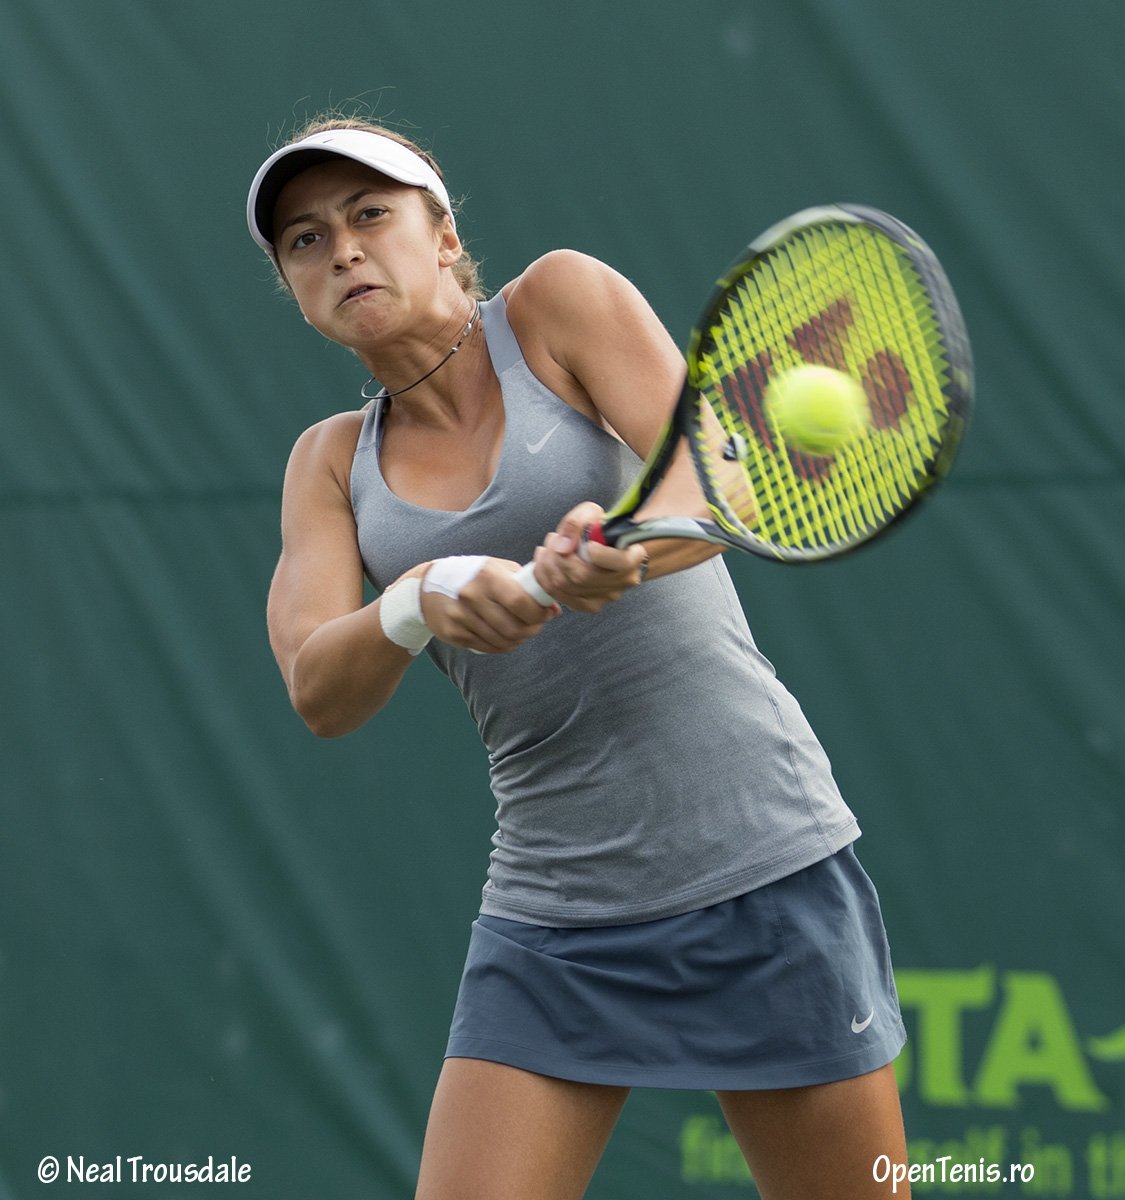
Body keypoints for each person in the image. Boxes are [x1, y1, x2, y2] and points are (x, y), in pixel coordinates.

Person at [247, 116, 912, 1200]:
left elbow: (719, 482)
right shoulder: (326, 465)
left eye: (370, 214)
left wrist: (622, 550)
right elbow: (318, 686)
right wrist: (416, 598)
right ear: (292, 286)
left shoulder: (558, 303)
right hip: (554, 909)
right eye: (305, 241)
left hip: (757, 857)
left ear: (445, 235)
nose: (344, 250)